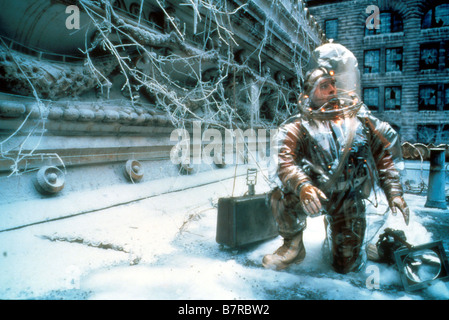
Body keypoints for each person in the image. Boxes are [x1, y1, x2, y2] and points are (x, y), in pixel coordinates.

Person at [262, 43, 410, 274]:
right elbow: (285, 162)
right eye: (324, 86)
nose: (332, 90)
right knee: (279, 196)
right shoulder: (297, 127)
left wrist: (395, 192)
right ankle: (293, 244)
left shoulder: (361, 122)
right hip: (313, 195)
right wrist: (302, 186)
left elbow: (384, 156)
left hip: (348, 199)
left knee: (346, 266)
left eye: (333, 84)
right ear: (310, 94)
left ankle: (355, 248)